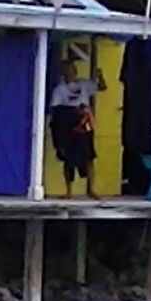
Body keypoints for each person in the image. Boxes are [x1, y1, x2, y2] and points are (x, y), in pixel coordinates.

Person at [47, 59, 100, 198]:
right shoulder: (60, 89)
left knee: (89, 157)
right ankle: (68, 191)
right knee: (68, 158)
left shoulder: (84, 84)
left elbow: (102, 87)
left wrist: (99, 75)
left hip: (84, 123)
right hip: (68, 125)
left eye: (72, 69)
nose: (70, 72)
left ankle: (91, 189)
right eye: (67, 70)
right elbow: (55, 109)